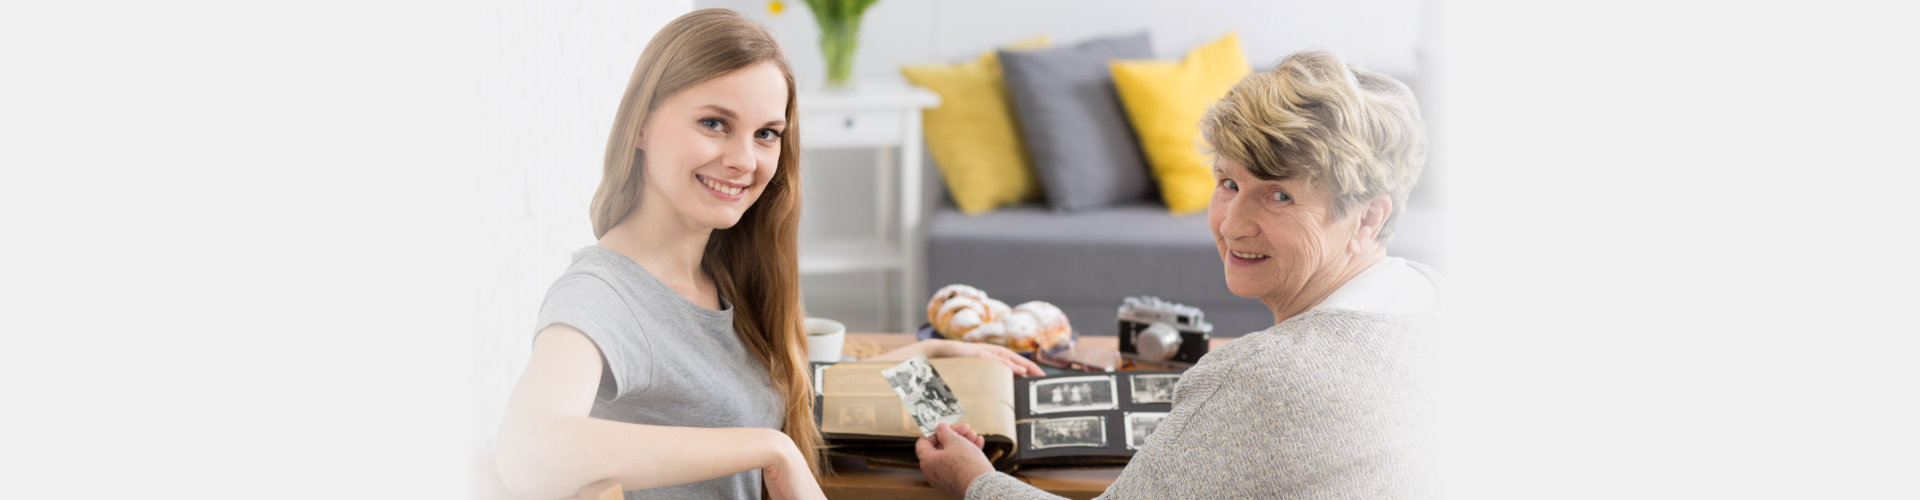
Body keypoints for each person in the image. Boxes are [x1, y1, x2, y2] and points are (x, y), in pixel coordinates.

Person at [491, 9, 1040, 500]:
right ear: (640, 123)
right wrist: (769, 450)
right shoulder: (602, 295)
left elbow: (785, 380)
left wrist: (932, 357)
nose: (743, 160)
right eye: (714, 123)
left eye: (767, 134)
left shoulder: (721, 269)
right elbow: (527, 449)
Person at [915, 49, 1440, 498]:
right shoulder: (1436, 296)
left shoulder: (1266, 376)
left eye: (1279, 195)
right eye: (1228, 182)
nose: (1232, 225)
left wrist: (973, 478)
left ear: (1370, 216)